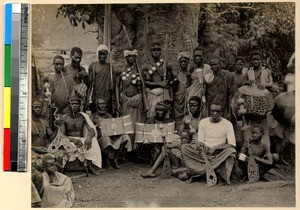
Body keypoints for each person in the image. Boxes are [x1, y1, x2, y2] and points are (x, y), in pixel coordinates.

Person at [181, 100, 237, 185]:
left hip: (218, 155)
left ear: (222, 112)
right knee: (185, 147)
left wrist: (215, 148)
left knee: (231, 152)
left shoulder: (228, 124)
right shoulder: (203, 122)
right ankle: (209, 171)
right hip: (203, 154)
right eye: (212, 111)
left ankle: (198, 173)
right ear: (209, 111)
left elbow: (231, 145)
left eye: (217, 111)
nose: (215, 113)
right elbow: (200, 141)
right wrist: (201, 146)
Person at [48, 96, 102, 175]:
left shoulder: (82, 117)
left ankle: (90, 166)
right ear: (69, 105)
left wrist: (89, 138)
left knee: (93, 141)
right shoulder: (65, 118)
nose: (75, 105)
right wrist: (73, 140)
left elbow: (92, 131)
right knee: (65, 143)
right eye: (73, 104)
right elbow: (62, 135)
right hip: (68, 140)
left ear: (80, 105)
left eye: (77, 104)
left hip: (80, 140)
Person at [91, 97, 132, 169]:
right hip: (100, 138)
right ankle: (107, 162)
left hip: (111, 136)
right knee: (106, 139)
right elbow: (91, 130)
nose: (102, 105)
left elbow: (114, 127)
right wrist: (97, 127)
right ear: (97, 105)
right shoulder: (94, 117)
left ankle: (114, 158)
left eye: (104, 103)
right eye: (100, 104)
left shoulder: (109, 116)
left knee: (125, 136)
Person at [142, 42, 173, 118]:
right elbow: (145, 83)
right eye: (154, 50)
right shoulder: (146, 66)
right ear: (151, 52)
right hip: (151, 95)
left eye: (158, 50)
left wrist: (171, 97)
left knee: (163, 117)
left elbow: (169, 83)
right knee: (151, 117)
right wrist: (159, 84)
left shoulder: (165, 64)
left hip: (162, 95)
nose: (156, 52)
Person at [116, 48, 145, 124]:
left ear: (135, 57)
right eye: (129, 56)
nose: (131, 58)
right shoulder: (121, 70)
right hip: (125, 100)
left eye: (132, 56)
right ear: (126, 57)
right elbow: (117, 85)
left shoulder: (139, 70)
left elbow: (143, 87)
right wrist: (118, 102)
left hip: (136, 101)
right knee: (126, 124)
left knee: (136, 123)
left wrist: (144, 103)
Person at [88, 44, 114, 114]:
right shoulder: (93, 66)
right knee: (96, 114)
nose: (102, 56)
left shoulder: (110, 67)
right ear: (97, 54)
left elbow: (113, 82)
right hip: (96, 94)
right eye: (100, 54)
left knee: (106, 113)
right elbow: (90, 84)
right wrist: (88, 99)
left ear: (107, 55)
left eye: (104, 54)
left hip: (107, 95)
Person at [186, 47, 212, 117]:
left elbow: (209, 83)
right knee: (192, 114)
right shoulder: (191, 69)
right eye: (195, 56)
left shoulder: (207, 68)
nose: (197, 58)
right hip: (192, 95)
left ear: (203, 56)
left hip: (204, 95)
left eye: (199, 56)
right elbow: (188, 85)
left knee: (203, 113)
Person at [172, 51, 191, 130]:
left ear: (188, 62)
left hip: (186, 98)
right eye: (181, 61)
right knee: (177, 116)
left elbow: (189, 87)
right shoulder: (176, 74)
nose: (183, 63)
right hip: (178, 99)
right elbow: (173, 88)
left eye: (185, 62)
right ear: (179, 63)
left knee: (186, 114)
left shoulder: (189, 74)